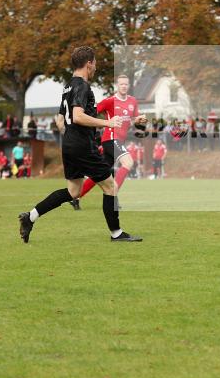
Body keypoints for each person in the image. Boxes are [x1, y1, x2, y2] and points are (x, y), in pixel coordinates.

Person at [18, 46, 140, 243]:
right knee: (111, 187)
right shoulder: (82, 86)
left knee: (73, 192)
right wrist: (107, 122)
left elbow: (60, 120)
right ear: (89, 63)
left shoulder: (68, 87)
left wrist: (71, 135)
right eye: (95, 63)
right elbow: (77, 116)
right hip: (82, 145)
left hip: (69, 144)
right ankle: (116, 233)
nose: (95, 67)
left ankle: (30, 216)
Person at [70, 74, 145, 210]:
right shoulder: (110, 101)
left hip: (119, 140)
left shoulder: (133, 101)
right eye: (121, 84)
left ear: (129, 86)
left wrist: (139, 120)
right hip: (110, 138)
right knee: (128, 162)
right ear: (117, 85)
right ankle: (113, 197)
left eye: (126, 84)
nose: (124, 86)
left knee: (100, 173)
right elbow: (91, 113)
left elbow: (134, 119)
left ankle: (76, 197)